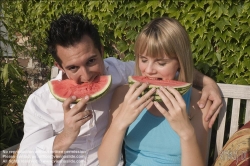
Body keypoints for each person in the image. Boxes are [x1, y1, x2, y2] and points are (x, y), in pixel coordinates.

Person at [17, 13, 220, 166]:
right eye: (73, 68)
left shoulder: (120, 74)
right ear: (59, 66)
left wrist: (209, 83)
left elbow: (166, 68)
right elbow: (25, 160)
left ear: (102, 52)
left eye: (91, 61)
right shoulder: (39, 103)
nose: (87, 76)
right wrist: (66, 136)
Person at [98, 17, 211, 166]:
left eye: (161, 63)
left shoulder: (198, 102)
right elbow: (106, 163)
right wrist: (120, 122)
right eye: (143, 60)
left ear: (179, 62)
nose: (149, 70)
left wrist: (186, 133)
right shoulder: (123, 95)